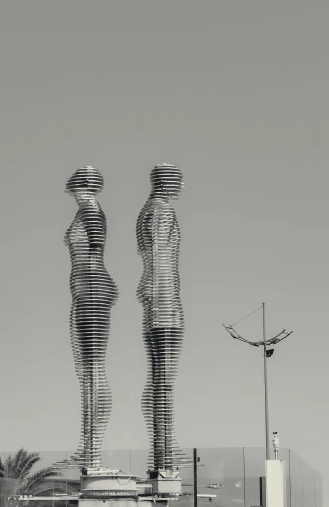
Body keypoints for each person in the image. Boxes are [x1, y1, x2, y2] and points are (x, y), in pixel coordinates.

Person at [62, 166, 117, 470]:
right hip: (86, 290)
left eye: (75, 188)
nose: (72, 193)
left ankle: (91, 450)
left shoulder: (91, 212)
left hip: (91, 290)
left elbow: (94, 251)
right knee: (88, 372)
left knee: (93, 371)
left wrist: (87, 290)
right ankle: (87, 447)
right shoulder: (87, 212)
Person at [136, 163, 190, 471]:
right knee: (164, 383)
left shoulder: (147, 210)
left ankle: (163, 449)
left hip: (157, 302)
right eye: (178, 182)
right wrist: (158, 296)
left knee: (158, 381)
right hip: (166, 305)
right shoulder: (162, 211)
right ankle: (165, 450)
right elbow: (157, 253)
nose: (181, 188)